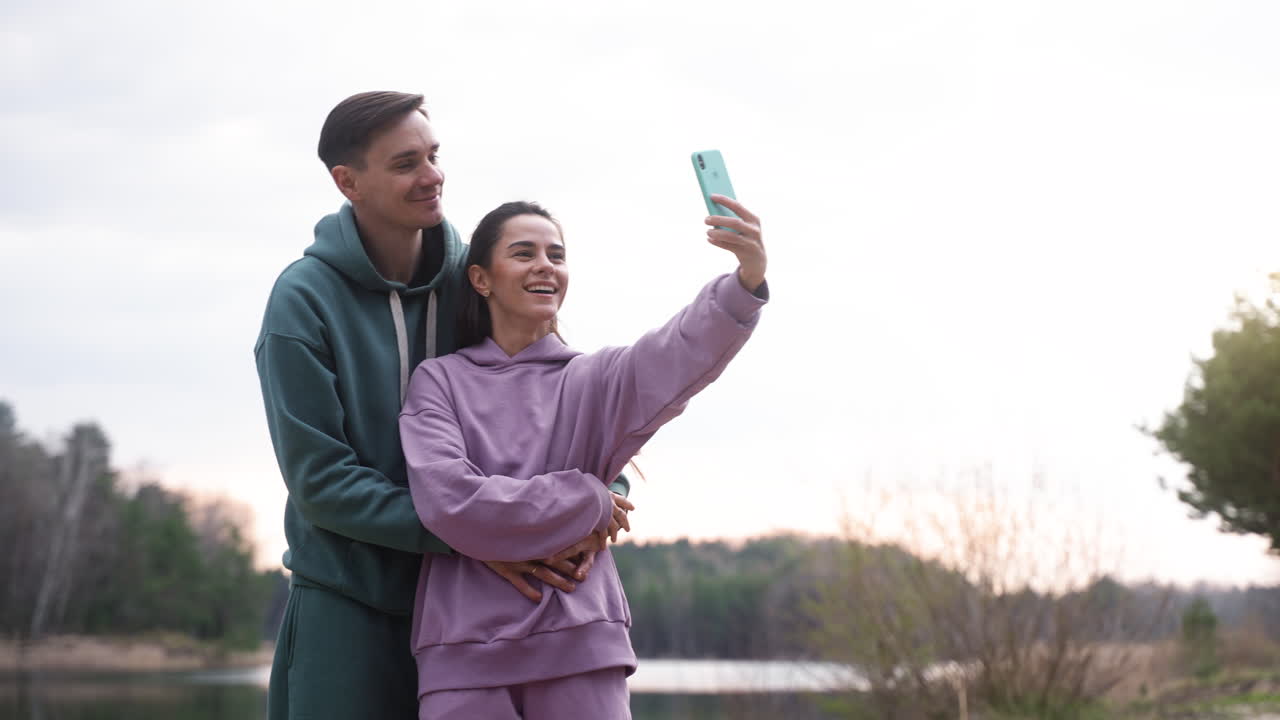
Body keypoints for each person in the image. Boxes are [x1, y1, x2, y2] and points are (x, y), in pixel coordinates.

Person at [254, 91, 630, 720]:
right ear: (348, 182)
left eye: (433, 155)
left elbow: (560, 390)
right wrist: (479, 536)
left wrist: (598, 490)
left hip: (479, 607)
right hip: (353, 604)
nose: (433, 177)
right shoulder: (301, 303)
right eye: (406, 163)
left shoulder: (475, 279)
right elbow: (321, 482)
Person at [399, 195, 768, 719]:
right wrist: (590, 500)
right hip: (462, 652)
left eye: (556, 254)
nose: (545, 265)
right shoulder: (439, 381)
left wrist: (746, 280)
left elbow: (680, 349)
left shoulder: (596, 379)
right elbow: (449, 502)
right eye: (524, 253)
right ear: (481, 279)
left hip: (580, 648)